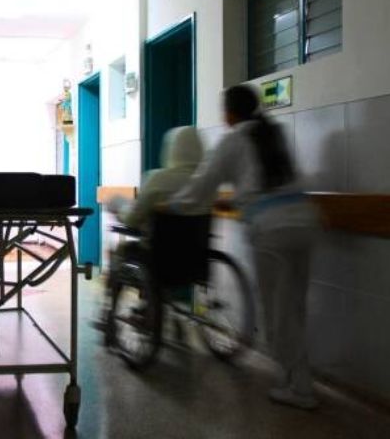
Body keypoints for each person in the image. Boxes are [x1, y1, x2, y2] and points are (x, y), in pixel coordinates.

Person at [169, 85, 321, 410]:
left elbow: (202, 185)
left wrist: (175, 205)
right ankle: (297, 380)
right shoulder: (273, 132)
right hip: (305, 220)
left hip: (273, 230)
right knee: (294, 307)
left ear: (229, 113)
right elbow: (270, 180)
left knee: (278, 312)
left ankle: (301, 389)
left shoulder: (233, 140)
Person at [97, 126, 204, 328]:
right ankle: (151, 306)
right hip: (196, 261)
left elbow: (132, 219)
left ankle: (108, 314)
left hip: (157, 259)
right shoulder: (205, 183)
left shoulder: (158, 178)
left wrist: (119, 208)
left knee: (122, 251)